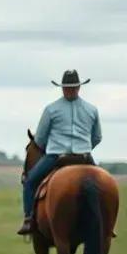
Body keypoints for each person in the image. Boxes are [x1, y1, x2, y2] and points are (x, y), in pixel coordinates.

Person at [18, 69, 102, 235]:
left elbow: (40, 139)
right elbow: (97, 137)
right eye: (69, 87)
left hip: (56, 157)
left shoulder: (51, 110)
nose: (70, 90)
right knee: (102, 185)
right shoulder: (91, 110)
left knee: (30, 182)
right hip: (84, 157)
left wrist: (52, 145)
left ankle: (28, 219)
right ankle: (106, 224)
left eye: (72, 87)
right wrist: (84, 147)